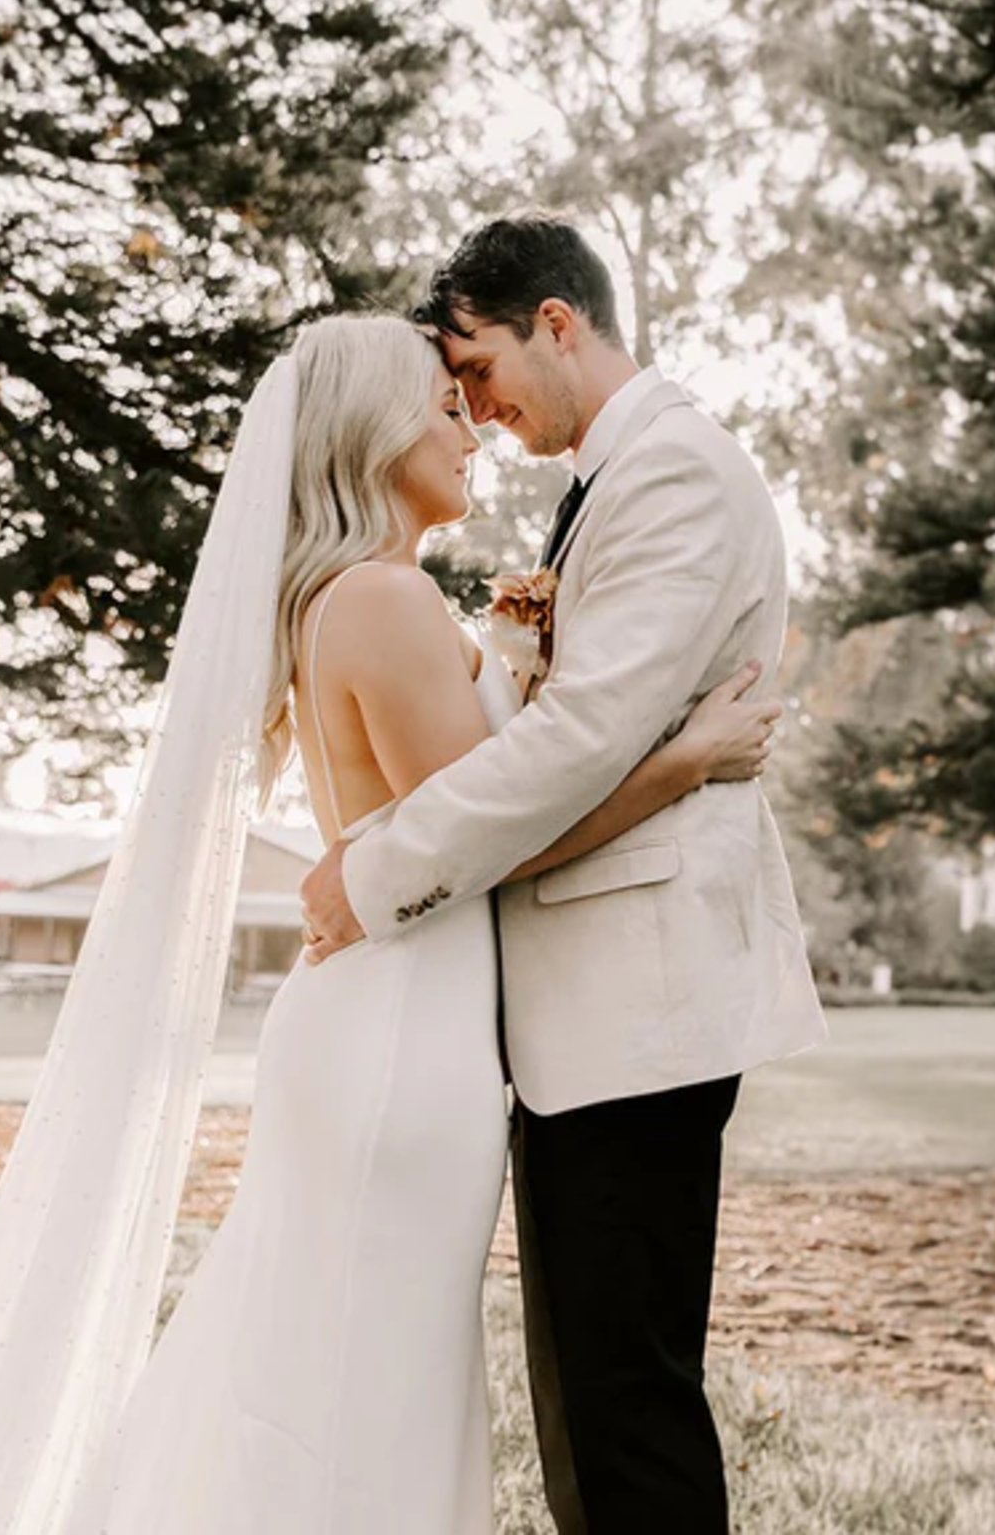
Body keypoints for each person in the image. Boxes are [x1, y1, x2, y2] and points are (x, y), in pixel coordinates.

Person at [0, 312, 779, 1534]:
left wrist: (514, 658)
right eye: (445, 404)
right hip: (397, 1042)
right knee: (357, 1378)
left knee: (334, 1355)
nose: (470, 424)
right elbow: (498, 834)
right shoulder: (378, 600)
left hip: (403, 1023)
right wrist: (683, 762)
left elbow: (468, 796)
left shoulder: (374, 597)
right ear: (376, 432)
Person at [299, 216, 829, 1534]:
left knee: (625, 1410)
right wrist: (522, 662)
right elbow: (586, 720)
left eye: (475, 368)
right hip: (588, 1018)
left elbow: (589, 746)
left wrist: (374, 873)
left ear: (556, 322)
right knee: (597, 1409)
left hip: (632, 1013)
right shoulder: (616, 476)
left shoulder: (674, 474)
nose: (473, 408)